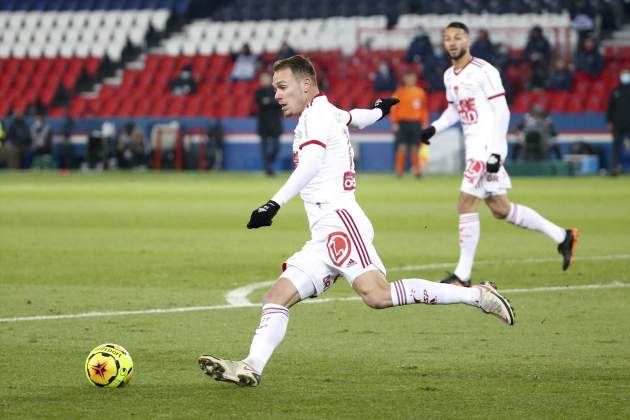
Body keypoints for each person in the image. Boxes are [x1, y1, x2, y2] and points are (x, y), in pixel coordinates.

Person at [198, 55, 515, 387]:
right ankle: (250, 366)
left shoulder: (314, 118)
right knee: (277, 297)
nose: (276, 94)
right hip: (323, 232)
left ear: (305, 84)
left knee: (377, 295)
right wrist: (379, 110)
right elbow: (355, 118)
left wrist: (272, 204)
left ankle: (477, 296)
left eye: (282, 86)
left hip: (340, 222)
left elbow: (310, 163)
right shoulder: (327, 111)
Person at [418, 22, 578, 287]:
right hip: (474, 149)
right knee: (501, 209)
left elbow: (502, 112)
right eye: (447, 38)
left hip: (485, 149)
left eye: (458, 37)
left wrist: (496, 153)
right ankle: (563, 236)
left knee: (465, 204)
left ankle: (463, 275)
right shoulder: (449, 76)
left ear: (468, 41)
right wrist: (434, 128)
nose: (452, 42)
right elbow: (454, 111)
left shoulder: (484, 71)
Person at [390, 71, 429, 177]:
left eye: (412, 77)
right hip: (402, 123)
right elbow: (394, 108)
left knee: (415, 148)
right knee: (401, 147)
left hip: (416, 122)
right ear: (405, 79)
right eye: (408, 77)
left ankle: (417, 171)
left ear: (415, 79)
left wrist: (425, 122)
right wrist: (394, 122)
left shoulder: (420, 92)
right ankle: (399, 172)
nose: (411, 79)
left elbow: (424, 109)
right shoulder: (399, 92)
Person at [255, 73, 283, 176]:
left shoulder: (277, 91)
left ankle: (270, 161)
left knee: (276, 146)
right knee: (263, 148)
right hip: (263, 124)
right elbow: (260, 103)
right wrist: (272, 102)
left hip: (275, 124)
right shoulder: (258, 92)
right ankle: (268, 169)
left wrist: (269, 101)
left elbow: (280, 103)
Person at [606, 68, 630, 176]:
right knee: (616, 147)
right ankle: (615, 168)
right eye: (624, 74)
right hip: (617, 123)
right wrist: (609, 121)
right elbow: (610, 107)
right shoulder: (616, 91)